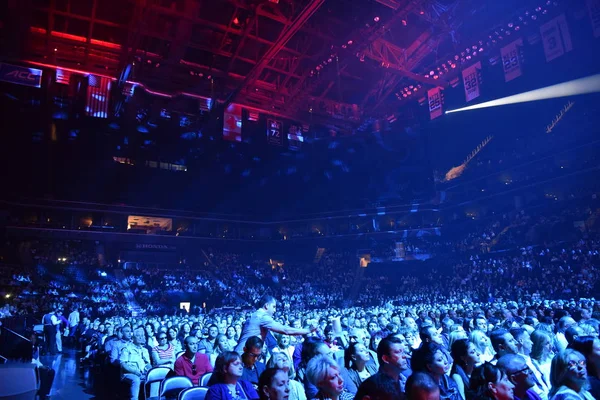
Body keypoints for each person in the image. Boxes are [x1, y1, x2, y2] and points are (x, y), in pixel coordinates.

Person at [234, 295, 316, 354]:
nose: (275, 310)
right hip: (245, 355)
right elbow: (285, 330)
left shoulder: (253, 316)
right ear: (266, 306)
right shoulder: (263, 316)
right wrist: (308, 330)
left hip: (240, 353)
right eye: (273, 307)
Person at [355, 335, 408, 400]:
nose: (404, 356)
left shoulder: (405, 381)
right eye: (398, 352)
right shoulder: (372, 387)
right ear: (385, 359)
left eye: (403, 352)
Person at [120, 327, 152, 400]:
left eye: (142, 335)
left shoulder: (145, 350)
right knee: (136, 379)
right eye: (138, 336)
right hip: (128, 373)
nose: (140, 337)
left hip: (142, 373)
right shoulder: (126, 348)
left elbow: (148, 364)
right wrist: (135, 371)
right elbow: (123, 364)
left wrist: (149, 370)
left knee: (154, 377)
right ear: (133, 338)